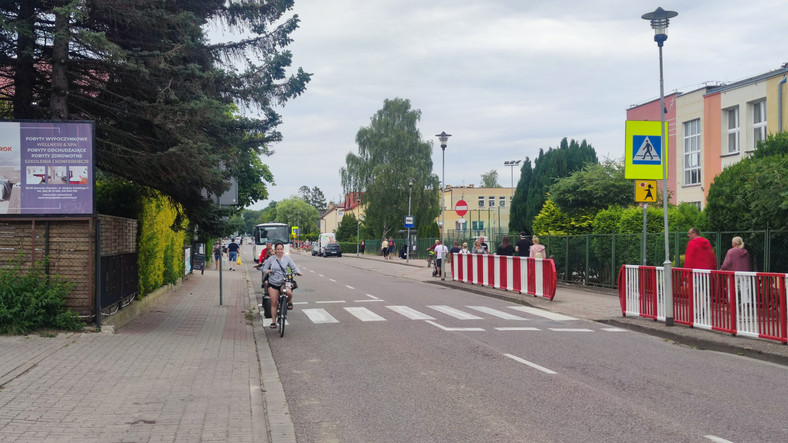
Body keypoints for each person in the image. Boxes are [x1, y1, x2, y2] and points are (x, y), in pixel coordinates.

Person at [261, 242, 302, 329]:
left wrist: (298, 272)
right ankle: (273, 322)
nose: (279, 251)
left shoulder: (287, 259)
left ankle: (289, 302)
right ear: (275, 250)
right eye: (278, 249)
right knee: (274, 302)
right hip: (273, 282)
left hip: (284, 281)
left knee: (289, 292)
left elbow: (293, 267)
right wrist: (267, 271)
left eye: (281, 249)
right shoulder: (271, 259)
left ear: (283, 250)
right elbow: (264, 267)